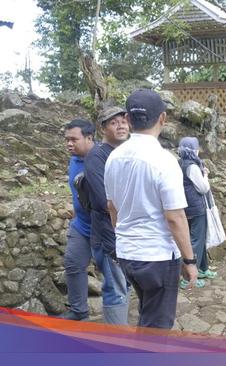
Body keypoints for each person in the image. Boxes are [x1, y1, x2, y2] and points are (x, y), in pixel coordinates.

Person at [105, 89, 198, 329]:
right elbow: (175, 217)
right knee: (157, 327)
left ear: (127, 118)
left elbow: (112, 207)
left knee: (148, 314)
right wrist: (189, 260)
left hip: (127, 252)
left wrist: (125, 237)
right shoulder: (163, 160)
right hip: (156, 255)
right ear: (163, 118)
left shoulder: (113, 158)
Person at [83, 107, 131, 325]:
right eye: (113, 122)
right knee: (115, 287)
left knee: (125, 284)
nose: (120, 125)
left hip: (126, 232)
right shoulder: (97, 156)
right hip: (107, 235)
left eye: (123, 121)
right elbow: (103, 202)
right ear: (103, 128)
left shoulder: (128, 151)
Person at [60, 119, 96, 321]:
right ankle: (79, 311)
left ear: (89, 138)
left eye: (74, 139)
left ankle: (118, 316)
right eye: (67, 139)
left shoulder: (102, 159)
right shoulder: (74, 159)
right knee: (73, 264)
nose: (69, 144)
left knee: (116, 274)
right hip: (81, 225)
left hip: (104, 228)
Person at [178, 136, 218, 289]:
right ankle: (188, 277)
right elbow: (203, 187)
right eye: (196, 147)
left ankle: (203, 269)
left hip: (187, 206)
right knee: (196, 240)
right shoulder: (192, 166)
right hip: (196, 208)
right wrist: (205, 175)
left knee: (199, 240)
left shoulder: (181, 163)